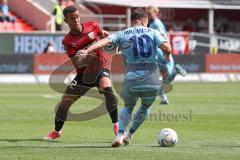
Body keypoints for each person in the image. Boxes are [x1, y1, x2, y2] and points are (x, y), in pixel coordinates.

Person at [79, 8, 172, 147]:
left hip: (132, 78)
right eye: (146, 22)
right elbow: (167, 48)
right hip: (152, 79)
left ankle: (119, 134)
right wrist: (167, 56)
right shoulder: (153, 32)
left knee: (128, 106)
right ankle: (130, 134)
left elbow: (104, 42)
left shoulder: (122, 33)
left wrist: (86, 51)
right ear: (142, 21)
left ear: (133, 21)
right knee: (146, 106)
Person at [43, 5, 118, 140]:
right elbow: (76, 63)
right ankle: (57, 131)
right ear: (66, 21)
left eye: (77, 17)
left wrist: (113, 40)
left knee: (107, 88)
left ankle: (117, 125)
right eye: (72, 19)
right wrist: (82, 57)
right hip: (83, 75)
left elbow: (103, 33)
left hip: (100, 68)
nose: (76, 20)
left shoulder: (92, 26)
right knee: (64, 104)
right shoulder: (67, 41)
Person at [145, 6, 186, 104]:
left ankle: (174, 73)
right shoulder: (152, 23)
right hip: (161, 51)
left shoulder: (156, 24)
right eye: (147, 14)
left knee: (158, 78)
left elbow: (162, 36)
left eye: (150, 14)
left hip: (160, 51)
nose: (148, 15)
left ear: (155, 13)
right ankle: (163, 98)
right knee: (164, 79)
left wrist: (165, 49)